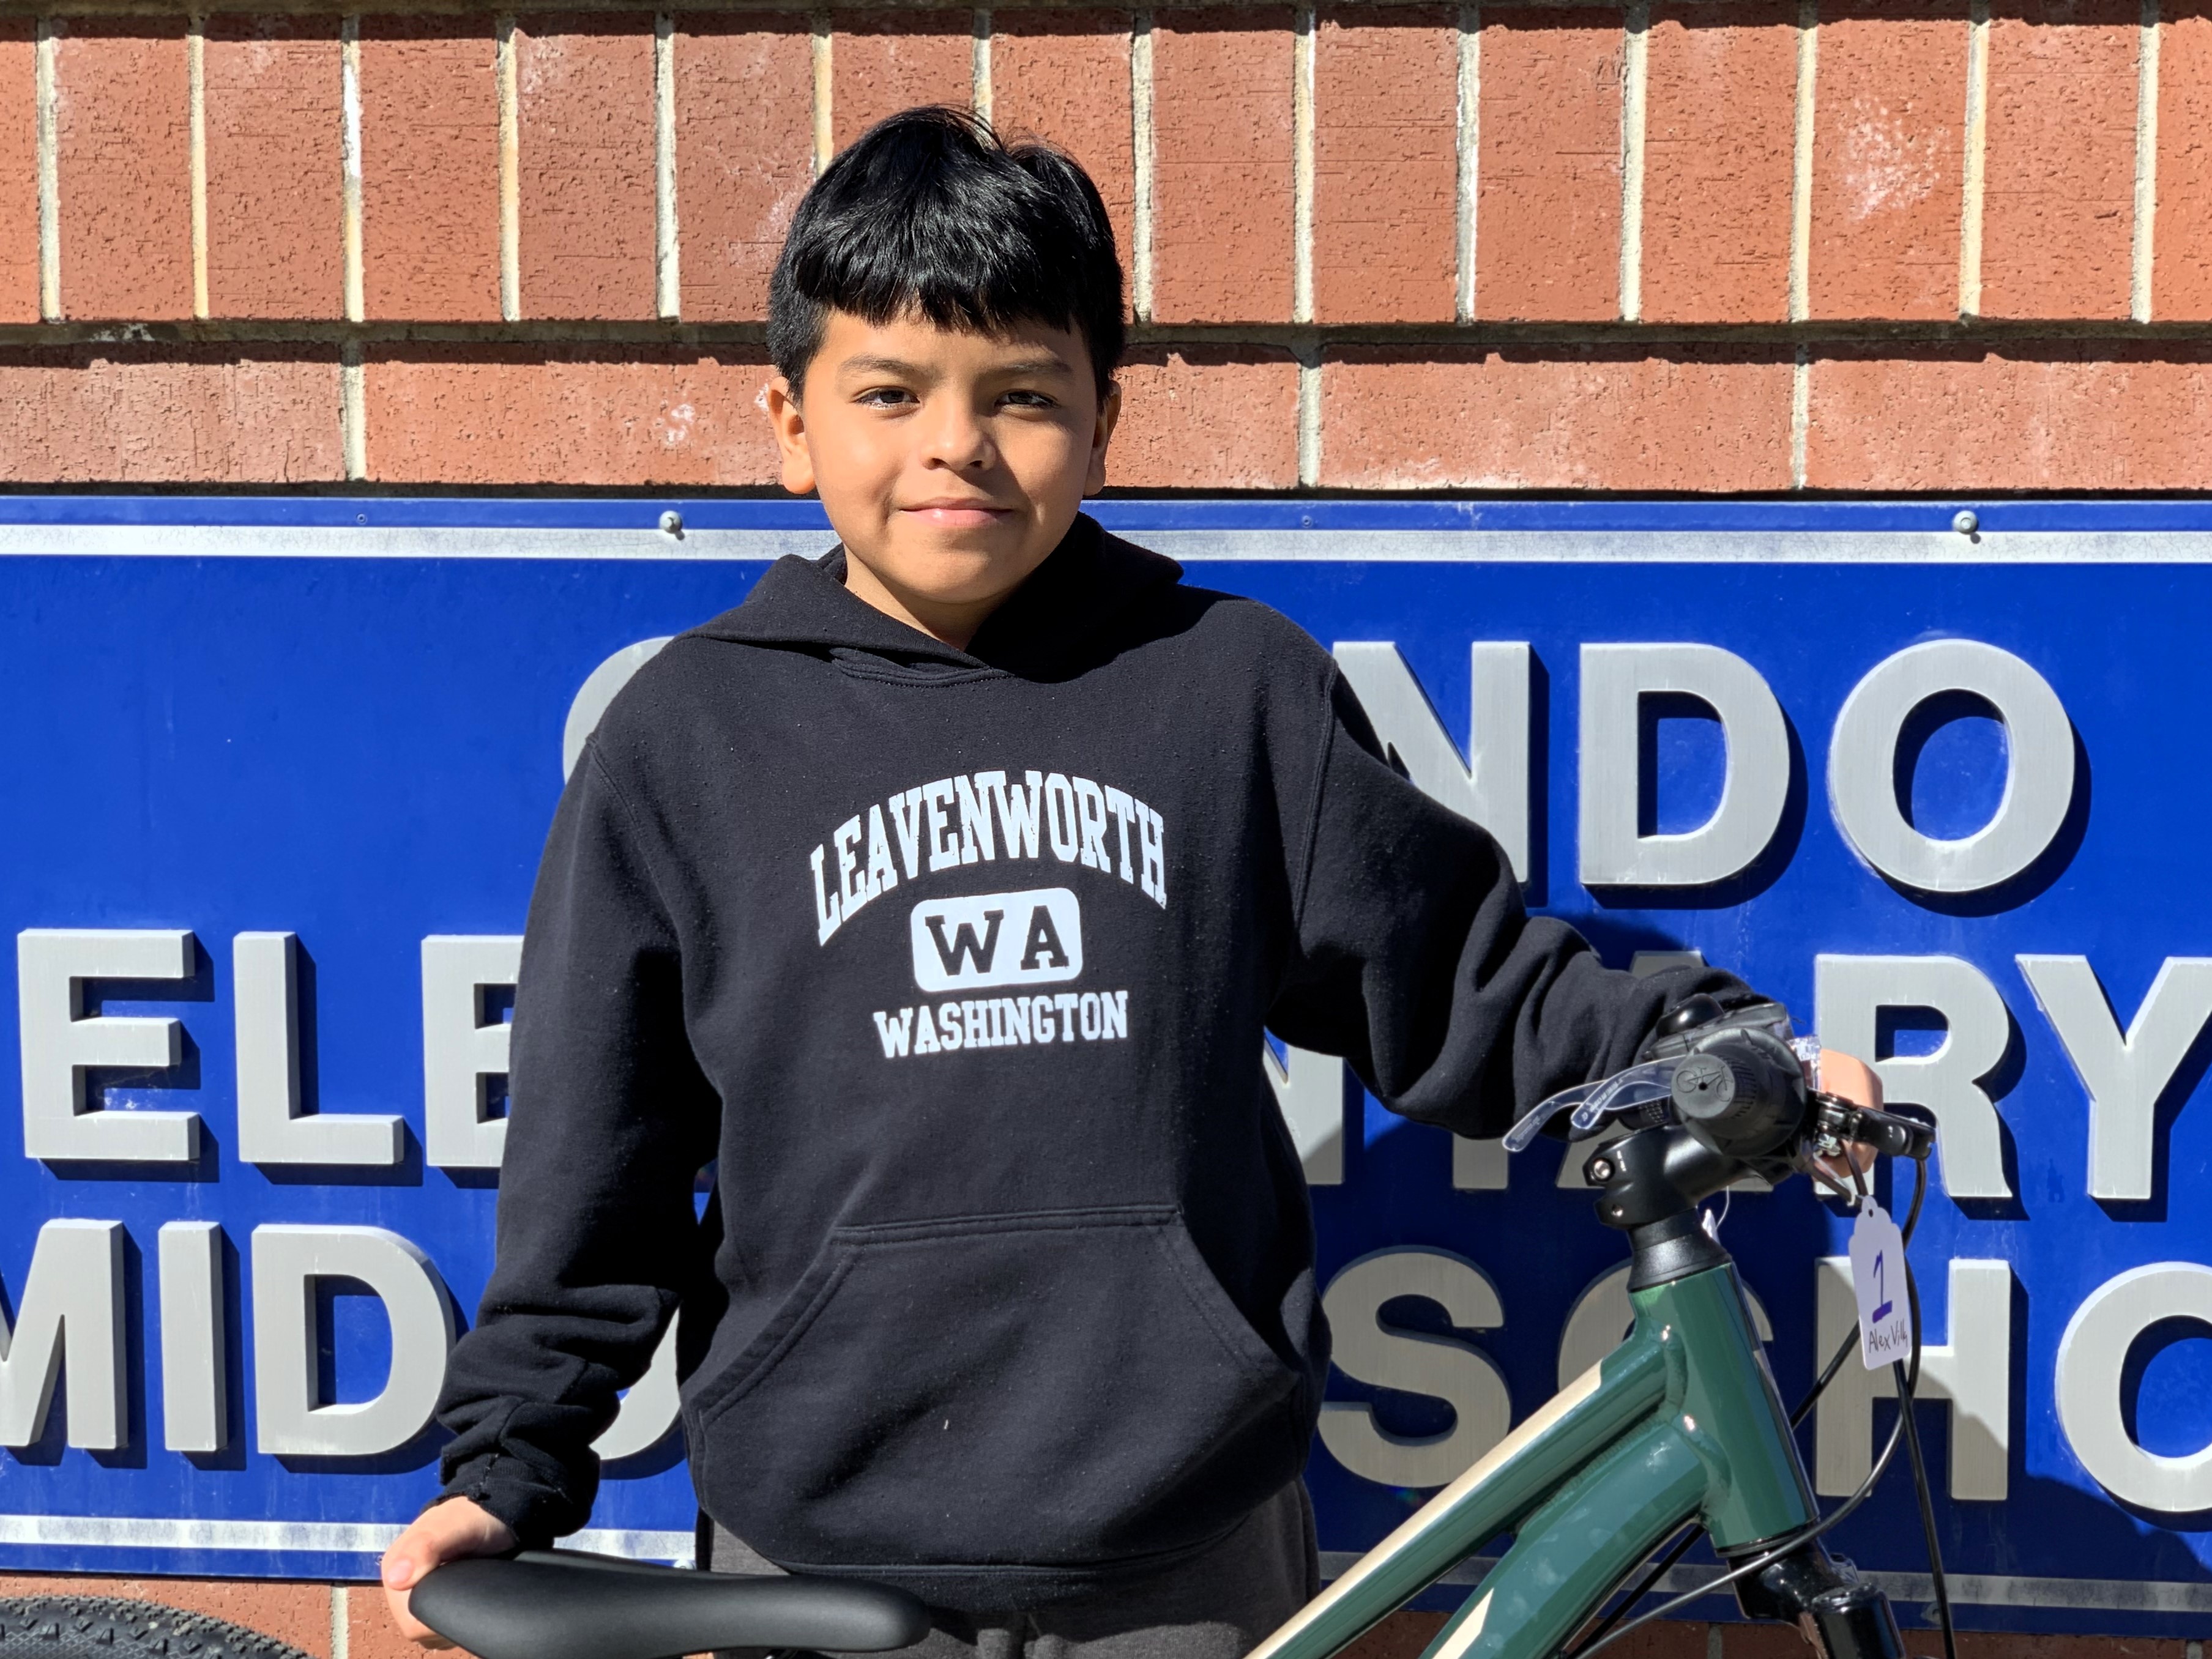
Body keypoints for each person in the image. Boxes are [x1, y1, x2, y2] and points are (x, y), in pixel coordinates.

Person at [380, 106, 1877, 1658]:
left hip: (1177, 1555)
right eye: (886, 393)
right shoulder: (685, 737)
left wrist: (1707, 1043)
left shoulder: (1228, 691)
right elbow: (593, 1167)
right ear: (787, 417)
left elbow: (1464, 984)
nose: (952, 445)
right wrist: (510, 1468)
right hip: (808, 1552)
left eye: (1020, 395)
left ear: (1105, 416)